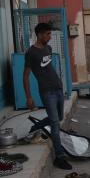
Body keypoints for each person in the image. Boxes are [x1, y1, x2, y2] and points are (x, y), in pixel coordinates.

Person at [23, 22, 73, 170]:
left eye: (50, 34)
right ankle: (60, 156)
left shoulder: (48, 48)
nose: (49, 37)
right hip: (47, 92)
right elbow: (25, 76)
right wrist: (29, 97)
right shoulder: (31, 53)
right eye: (47, 34)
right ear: (38, 35)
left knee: (58, 118)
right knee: (55, 125)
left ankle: (36, 126)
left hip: (58, 88)